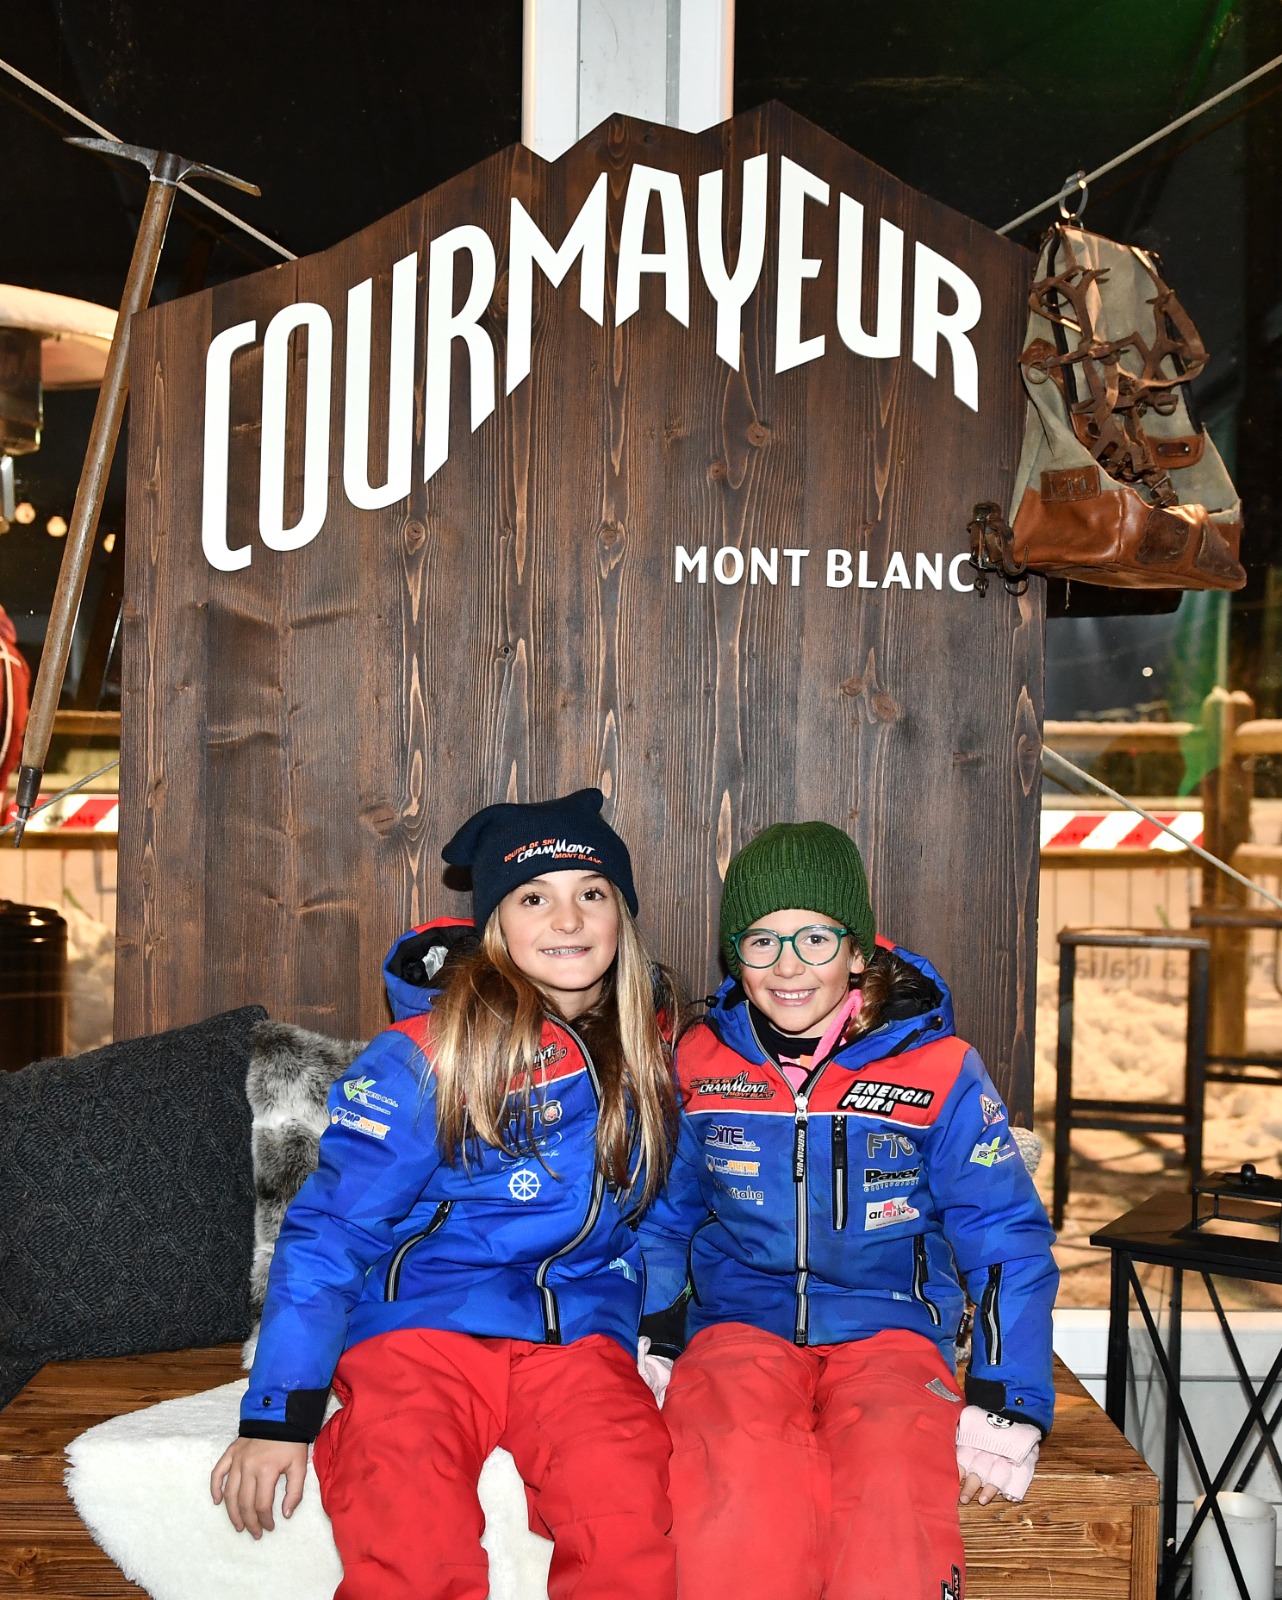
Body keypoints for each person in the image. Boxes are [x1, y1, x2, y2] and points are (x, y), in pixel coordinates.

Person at [211, 788, 680, 1600]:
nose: (568, 919)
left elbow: (667, 1209)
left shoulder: (648, 1052)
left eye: (592, 893)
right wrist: (278, 1413)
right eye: (534, 898)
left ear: (622, 916)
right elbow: (330, 1230)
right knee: (407, 1513)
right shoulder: (427, 1054)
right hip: (423, 1328)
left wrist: (661, 1332)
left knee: (625, 1505)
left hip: (577, 1335)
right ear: (496, 924)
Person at [637, 821, 1058, 1600]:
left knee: (891, 1488)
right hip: (738, 1329)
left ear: (857, 952)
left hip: (892, 1335)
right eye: (761, 942)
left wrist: (1007, 1398)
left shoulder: (940, 1069)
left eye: (815, 939)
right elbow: (664, 1216)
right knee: (733, 1481)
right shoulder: (698, 1063)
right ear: (735, 957)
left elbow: (1005, 1238)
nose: (787, 966)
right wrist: (654, 1335)